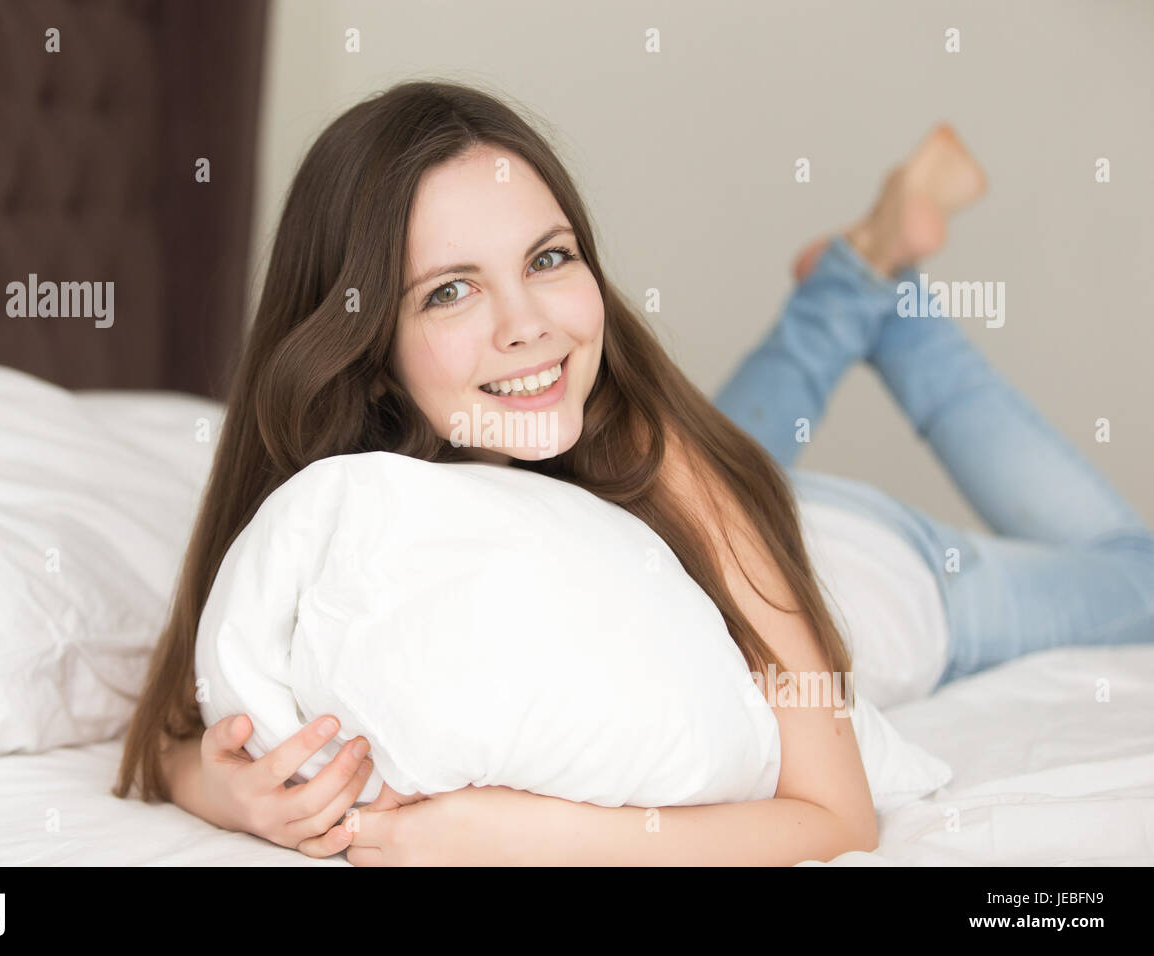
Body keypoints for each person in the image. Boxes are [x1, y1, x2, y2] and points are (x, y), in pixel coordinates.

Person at [112, 81, 1154, 866]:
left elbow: (837, 814)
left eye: (549, 257)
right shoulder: (339, 506)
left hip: (884, 562)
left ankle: (878, 295)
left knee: (1137, 570)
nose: (527, 324)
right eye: (449, 291)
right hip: (674, 494)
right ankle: (853, 274)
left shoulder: (655, 447)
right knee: (721, 431)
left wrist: (510, 831)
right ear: (359, 339)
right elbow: (170, 728)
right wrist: (221, 785)